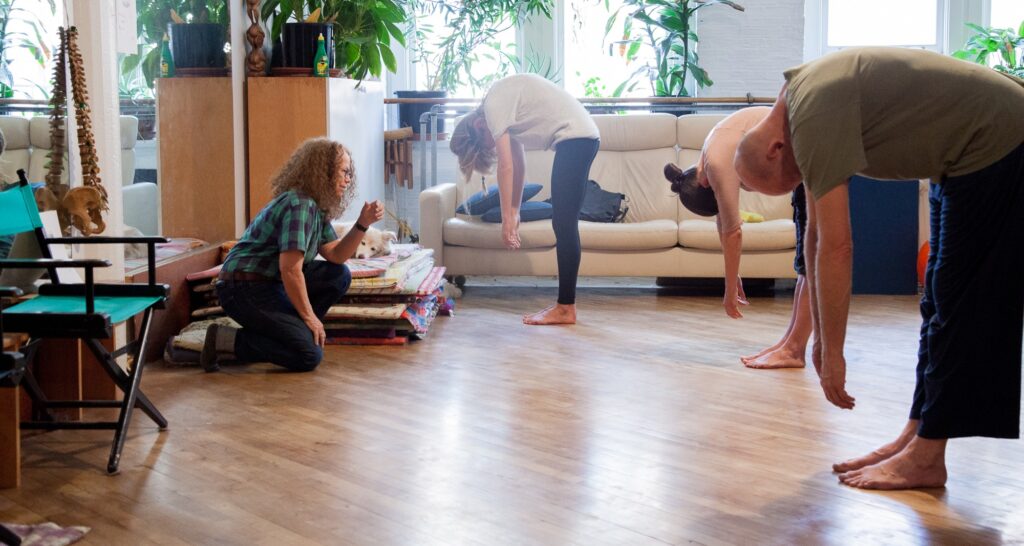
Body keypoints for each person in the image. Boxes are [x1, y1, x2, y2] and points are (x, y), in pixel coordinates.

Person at [734, 47, 1024, 490]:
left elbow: (838, 247)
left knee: (963, 306)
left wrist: (834, 354)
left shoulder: (810, 113)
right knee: (939, 301)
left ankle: (928, 457)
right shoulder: (797, 99)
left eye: (790, 182)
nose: (799, 185)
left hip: (1000, 140)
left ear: (775, 149)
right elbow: (814, 235)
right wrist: (819, 340)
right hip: (963, 157)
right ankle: (917, 435)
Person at [201, 138, 384, 372]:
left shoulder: (315, 208)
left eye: (350, 173)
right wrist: (310, 317)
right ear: (323, 171)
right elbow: (290, 270)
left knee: (337, 274)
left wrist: (362, 224)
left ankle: (293, 333)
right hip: (243, 288)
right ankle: (223, 340)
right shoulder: (300, 205)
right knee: (308, 355)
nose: (348, 179)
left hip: (268, 284)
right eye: (344, 172)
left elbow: (336, 255)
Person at [664, 107, 812, 369]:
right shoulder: (706, 159)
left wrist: (729, 291)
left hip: (812, 146)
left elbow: (733, 231)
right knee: (805, 262)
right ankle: (789, 342)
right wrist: (734, 274)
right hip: (802, 150)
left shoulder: (718, 163)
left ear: (707, 186)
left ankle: (794, 350)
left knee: (813, 261)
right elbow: (725, 222)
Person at [449, 73, 600, 325]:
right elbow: (519, 165)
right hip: (580, 137)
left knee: (564, 224)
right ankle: (565, 306)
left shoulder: (494, 108)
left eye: (487, 146)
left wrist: (507, 219)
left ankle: (565, 308)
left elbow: (506, 168)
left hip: (575, 137)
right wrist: (515, 209)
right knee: (564, 223)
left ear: (478, 126)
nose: (492, 149)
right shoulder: (505, 109)